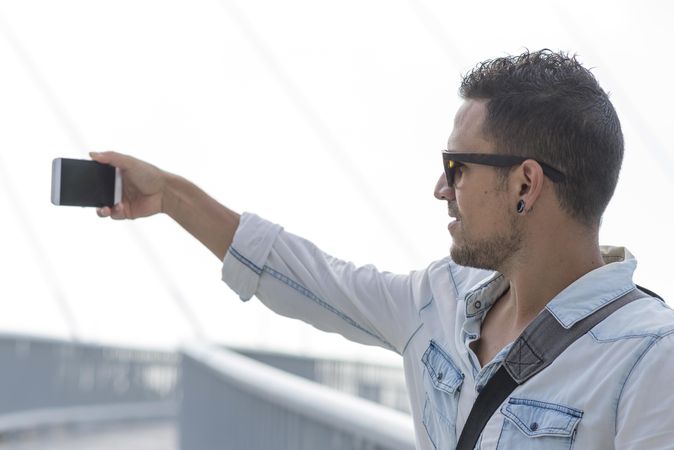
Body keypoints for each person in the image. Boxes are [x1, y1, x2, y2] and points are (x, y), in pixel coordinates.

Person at [92, 49, 674, 449]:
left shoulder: (649, 359)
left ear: (525, 184)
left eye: (457, 167)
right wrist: (170, 194)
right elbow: (308, 279)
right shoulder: (441, 300)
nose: (441, 189)